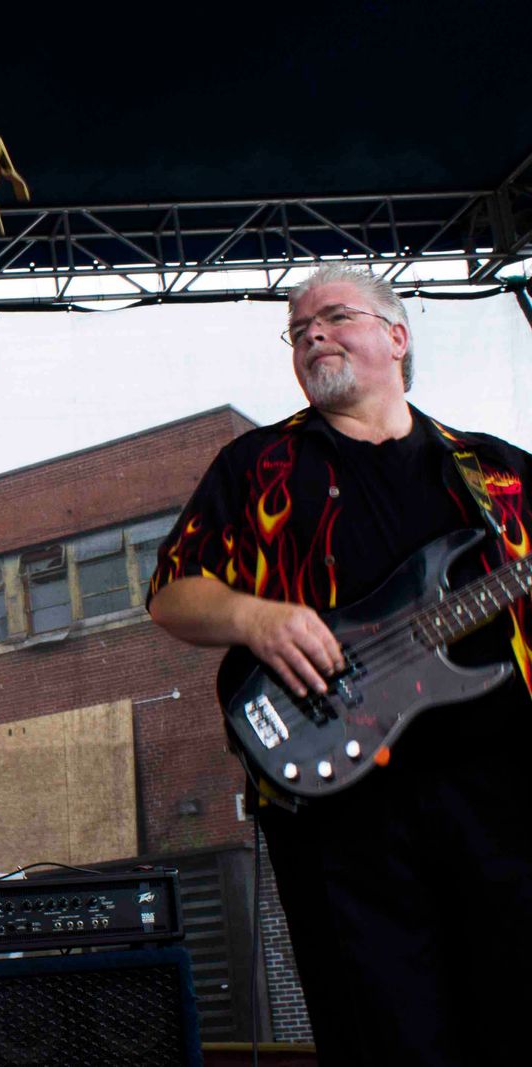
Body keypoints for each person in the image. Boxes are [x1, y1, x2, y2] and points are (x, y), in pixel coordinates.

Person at [146, 264, 532, 1064]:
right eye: (297, 330)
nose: (312, 333)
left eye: (332, 316)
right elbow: (170, 593)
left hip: (503, 801)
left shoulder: (498, 472)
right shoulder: (257, 465)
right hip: (339, 812)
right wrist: (256, 617)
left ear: (398, 337)